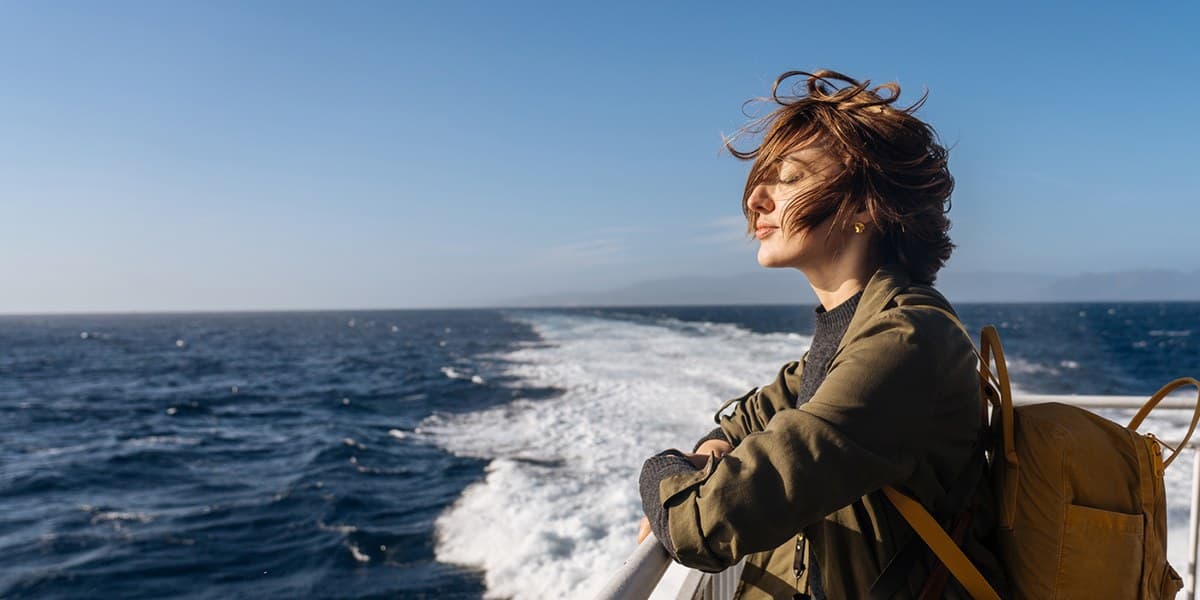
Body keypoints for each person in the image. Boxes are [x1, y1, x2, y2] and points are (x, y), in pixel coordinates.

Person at [636, 70, 1005, 599]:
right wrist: (714, 446)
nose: (756, 199)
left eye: (788, 178)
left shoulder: (906, 343)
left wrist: (659, 471)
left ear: (862, 204)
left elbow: (706, 521)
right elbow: (750, 420)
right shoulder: (846, 335)